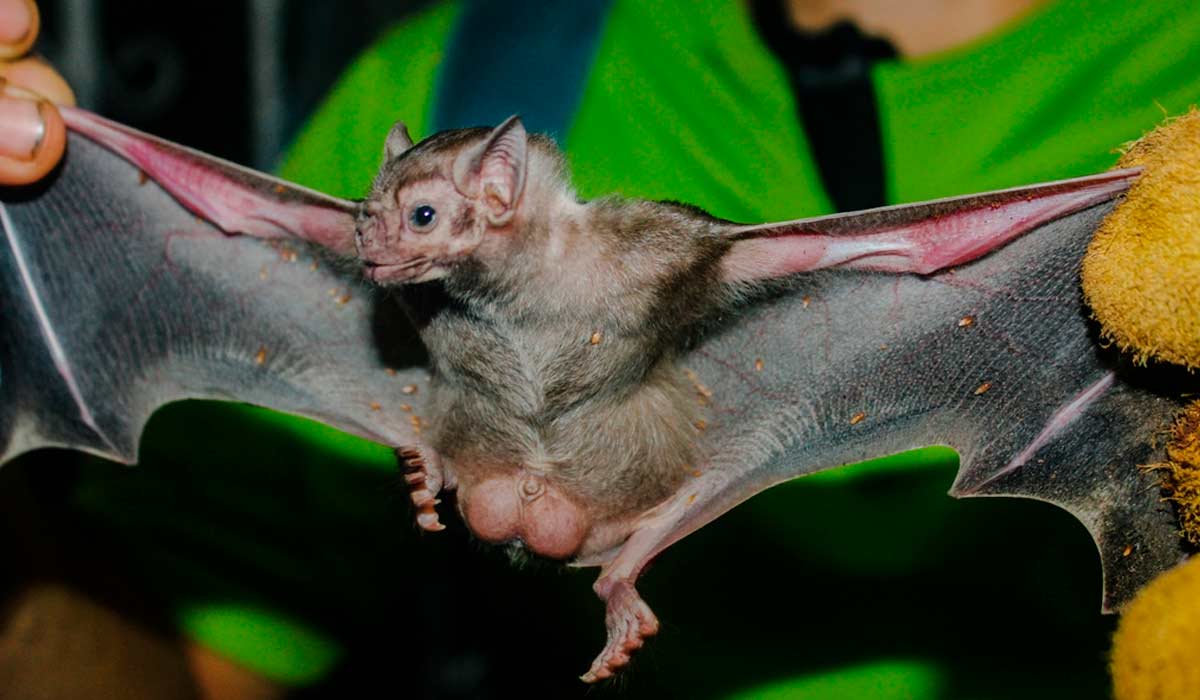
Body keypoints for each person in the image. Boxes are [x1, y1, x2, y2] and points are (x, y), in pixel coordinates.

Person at [3, 0, 1199, 698]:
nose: (385, 247)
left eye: (412, 221)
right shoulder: (476, 59)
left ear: (507, 187)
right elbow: (194, 665)